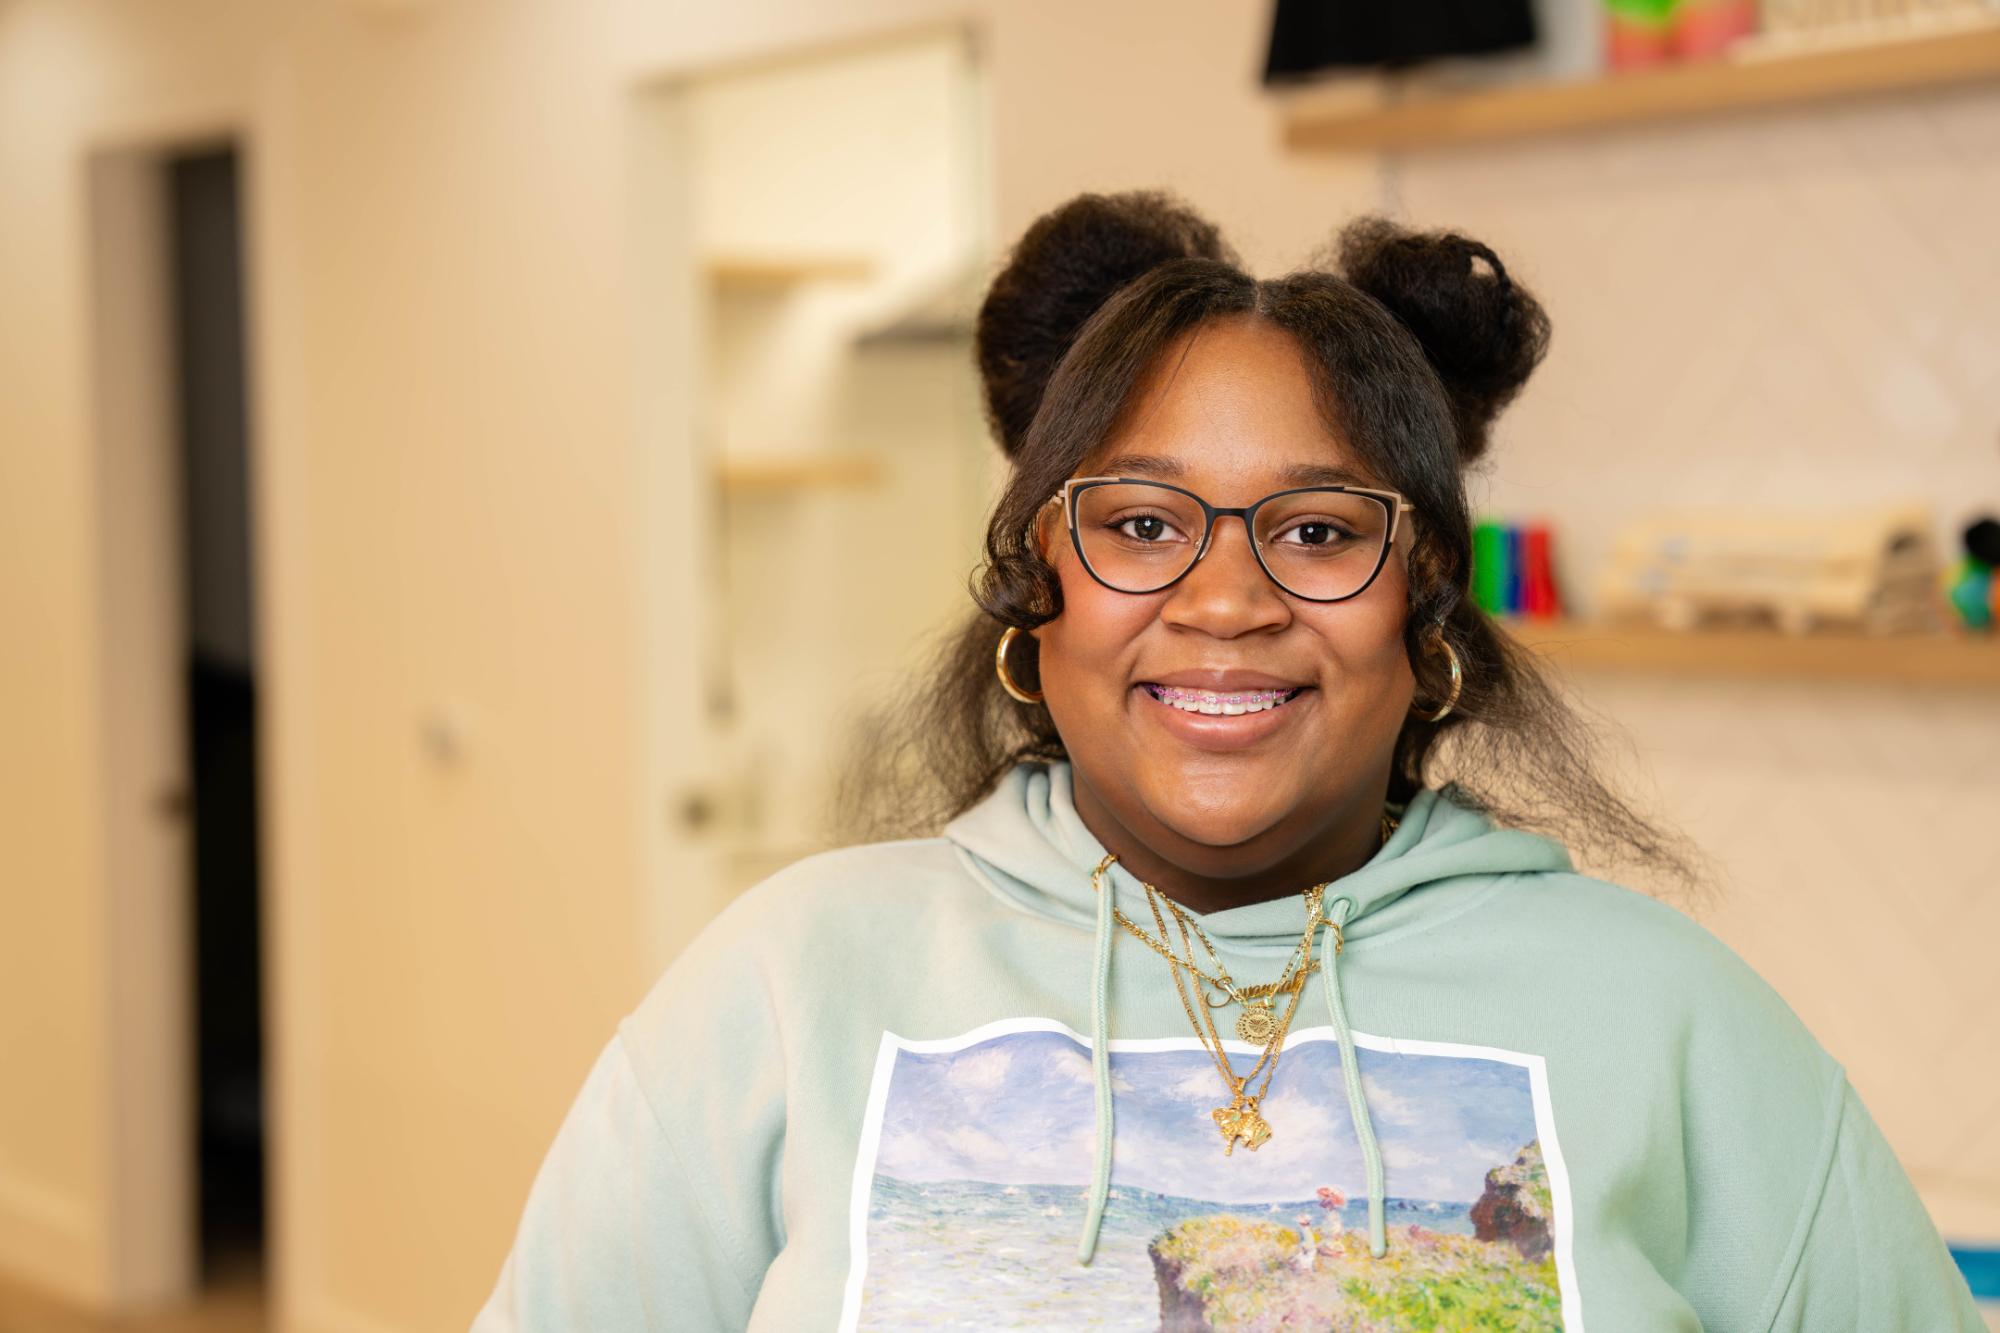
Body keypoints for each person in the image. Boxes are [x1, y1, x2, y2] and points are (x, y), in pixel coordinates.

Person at [472, 192, 1982, 1330]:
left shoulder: (1670, 1015)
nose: (1225, 598)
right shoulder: (787, 984)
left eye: (1320, 531)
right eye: (1141, 523)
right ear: (1035, 591)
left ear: (1427, 610)